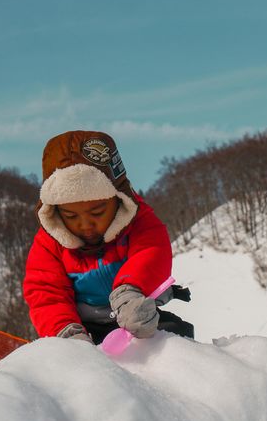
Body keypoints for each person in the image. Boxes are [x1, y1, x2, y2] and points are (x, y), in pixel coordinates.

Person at [22, 130, 193, 344]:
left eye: (97, 212)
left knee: (174, 337)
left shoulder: (138, 221)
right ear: (55, 212)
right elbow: (46, 293)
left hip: (137, 313)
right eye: (70, 215)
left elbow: (151, 252)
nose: (85, 224)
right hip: (83, 326)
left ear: (119, 199)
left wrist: (130, 290)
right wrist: (66, 332)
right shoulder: (49, 243)